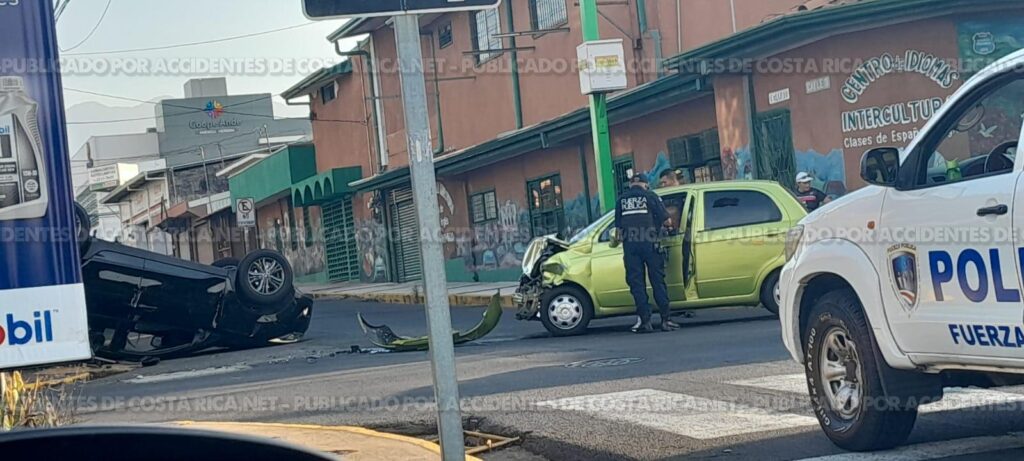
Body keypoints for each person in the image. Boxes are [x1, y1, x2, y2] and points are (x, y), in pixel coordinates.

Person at [615, 172, 679, 333]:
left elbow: (618, 232)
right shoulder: (650, 196)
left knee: (637, 284)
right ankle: (665, 320)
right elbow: (667, 221)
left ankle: (645, 321)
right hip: (650, 244)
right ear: (645, 184)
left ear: (631, 185)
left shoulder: (621, 200)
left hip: (631, 247)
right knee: (658, 281)